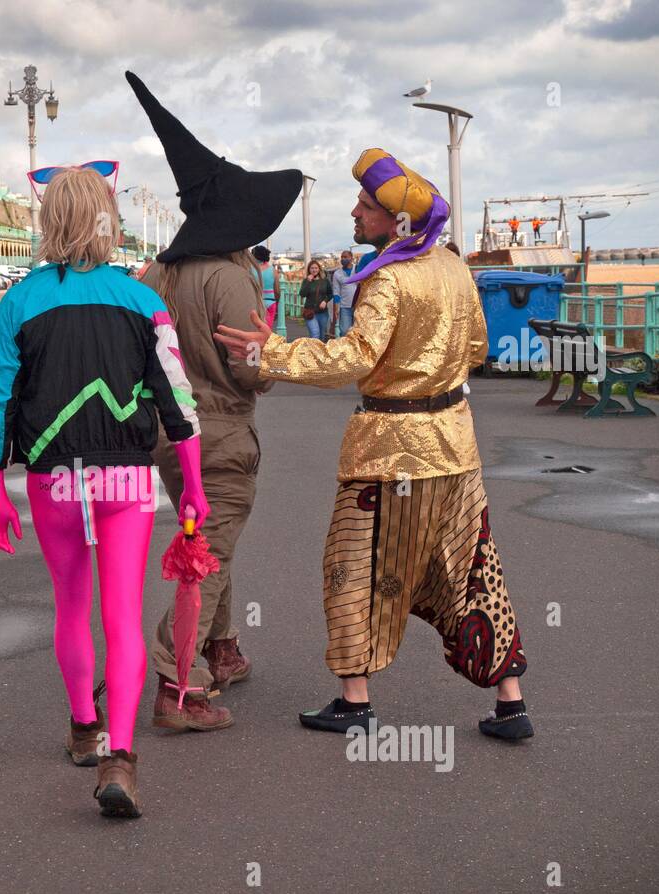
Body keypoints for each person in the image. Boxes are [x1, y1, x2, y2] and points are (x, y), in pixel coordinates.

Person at [216, 148, 532, 744]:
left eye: (366, 205)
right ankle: (510, 702)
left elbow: (354, 358)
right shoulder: (454, 269)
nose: (355, 212)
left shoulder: (387, 278)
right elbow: (477, 350)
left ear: (397, 222)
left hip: (387, 453)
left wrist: (272, 352)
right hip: (457, 447)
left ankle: (354, 700)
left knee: (353, 566)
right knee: (474, 566)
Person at [0, 161, 208, 818]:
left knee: (71, 607)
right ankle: (121, 755)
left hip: (54, 479)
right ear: (109, 219)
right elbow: (178, 400)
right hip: (127, 478)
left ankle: (83, 726)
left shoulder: (18, 300)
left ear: (49, 220)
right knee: (123, 616)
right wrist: (191, 484)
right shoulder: (144, 300)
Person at [127, 70, 302, 730]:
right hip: (224, 434)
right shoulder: (231, 279)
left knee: (207, 537)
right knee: (213, 554)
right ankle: (179, 682)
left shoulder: (158, 272)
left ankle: (221, 649)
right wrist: (273, 358)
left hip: (168, 437)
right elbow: (249, 369)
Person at [252, 245, 284, 337]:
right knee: (267, 331)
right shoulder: (273, 270)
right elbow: (277, 291)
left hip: (255, 303)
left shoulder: (250, 270)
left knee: (255, 331)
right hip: (270, 303)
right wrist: (276, 303)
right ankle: (265, 349)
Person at [299, 258, 332, 340]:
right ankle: (314, 352)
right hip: (310, 312)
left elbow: (330, 294)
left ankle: (315, 352)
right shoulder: (306, 281)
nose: (314, 270)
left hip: (322, 313)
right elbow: (302, 294)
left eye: (316, 268)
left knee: (322, 336)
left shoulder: (325, 281)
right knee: (315, 334)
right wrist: (308, 281)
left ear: (319, 269)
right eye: (312, 268)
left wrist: (325, 301)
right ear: (309, 270)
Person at [331, 250, 359, 336]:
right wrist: (336, 307)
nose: (343, 259)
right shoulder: (337, 274)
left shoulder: (358, 269)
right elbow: (336, 292)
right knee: (344, 331)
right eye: (342, 257)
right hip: (344, 307)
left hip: (358, 305)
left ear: (351, 258)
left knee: (358, 331)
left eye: (345, 257)